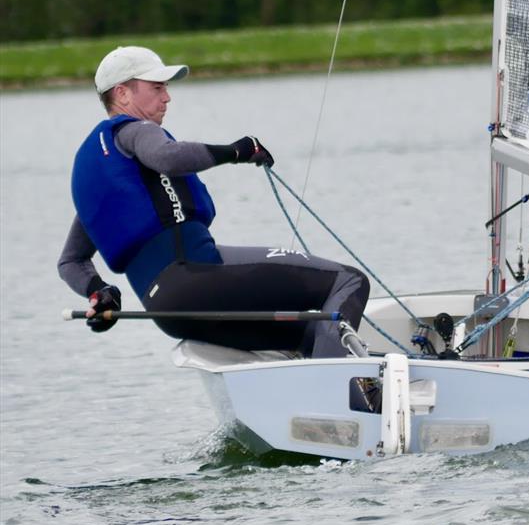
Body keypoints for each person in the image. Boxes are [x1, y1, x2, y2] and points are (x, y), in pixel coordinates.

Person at [58, 46, 370, 357]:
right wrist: (237, 151)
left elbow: (70, 261)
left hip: (168, 312)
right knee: (348, 281)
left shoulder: (102, 173)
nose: (167, 97)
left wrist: (99, 292)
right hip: (195, 277)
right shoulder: (135, 131)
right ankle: (348, 394)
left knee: (308, 332)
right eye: (157, 87)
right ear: (123, 94)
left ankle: (325, 390)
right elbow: (166, 156)